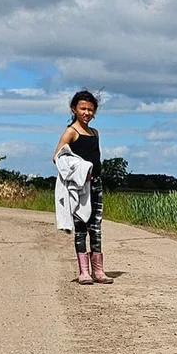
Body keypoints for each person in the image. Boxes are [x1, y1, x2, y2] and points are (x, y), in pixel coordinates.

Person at [53, 90, 112, 284]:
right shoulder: (71, 132)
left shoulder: (95, 133)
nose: (87, 112)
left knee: (96, 227)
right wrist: (78, 170)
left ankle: (99, 271)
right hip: (79, 188)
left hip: (96, 184)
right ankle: (84, 272)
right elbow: (57, 157)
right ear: (74, 109)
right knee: (81, 227)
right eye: (83, 108)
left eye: (90, 109)